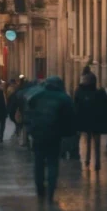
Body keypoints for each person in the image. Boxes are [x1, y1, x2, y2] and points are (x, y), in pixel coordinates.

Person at [26, 76, 77, 204]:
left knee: (38, 162)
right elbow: (70, 118)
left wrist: (30, 130)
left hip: (38, 135)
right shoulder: (64, 98)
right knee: (53, 162)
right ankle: (51, 192)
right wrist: (69, 134)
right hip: (55, 135)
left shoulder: (37, 95)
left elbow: (28, 113)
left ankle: (40, 190)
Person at [74, 65, 107, 172]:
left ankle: (88, 160)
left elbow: (77, 106)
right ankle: (95, 162)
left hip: (87, 121)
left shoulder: (81, 92)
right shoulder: (100, 93)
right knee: (96, 141)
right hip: (97, 122)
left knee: (89, 140)